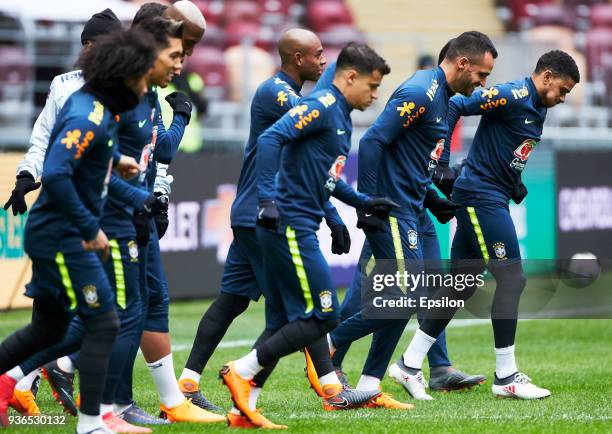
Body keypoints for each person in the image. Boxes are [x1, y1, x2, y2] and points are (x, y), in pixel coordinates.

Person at [177, 29, 361, 428]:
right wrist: (330, 213)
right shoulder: (276, 93)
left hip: (255, 211)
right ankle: (330, 387)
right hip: (266, 212)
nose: (323, 61)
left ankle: (188, 383)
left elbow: (304, 168)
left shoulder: (292, 94)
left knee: (233, 301)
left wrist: (330, 211)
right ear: (297, 58)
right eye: (316, 55)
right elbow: (303, 155)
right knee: (301, 307)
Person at [219, 42, 397, 428]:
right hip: (291, 225)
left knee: (284, 318)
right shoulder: (321, 106)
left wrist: (362, 201)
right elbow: (270, 139)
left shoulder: (341, 114)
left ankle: (241, 410)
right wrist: (267, 199)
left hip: (300, 222)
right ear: (350, 77)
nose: (375, 95)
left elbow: (326, 179)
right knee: (324, 314)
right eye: (372, 85)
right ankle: (242, 369)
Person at [318, 31, 497, 402]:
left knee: (422, 293)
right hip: (395, 209)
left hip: (417, 208)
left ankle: (372, 384)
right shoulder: (420, 92)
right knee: (403, 295)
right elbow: (372, 142)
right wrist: (366, 202)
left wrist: (432, 197)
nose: (483, 84)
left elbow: (412, 158)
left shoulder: (445, 99)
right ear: (462, 64)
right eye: (482, 75)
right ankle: (328, 344)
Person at [393, 50, 579, 400]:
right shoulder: (513, 94)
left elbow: (507, 149)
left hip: (491, 194)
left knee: (460, 284)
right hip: (480, 197)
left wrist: (514, 182)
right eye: (563, 90)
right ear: (548, 76)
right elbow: (455, 105)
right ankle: (506, 374)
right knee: (512, 277)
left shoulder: (536, 107)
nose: (562, 98)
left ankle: (409, 363)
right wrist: (443, 162)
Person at [0, 28, 157, 434]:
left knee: (48, 329)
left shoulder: (99, 112)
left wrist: (115, 161)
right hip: (61, 237)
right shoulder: (88, 112)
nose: (145, 85)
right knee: (104, 321)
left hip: (59, 234)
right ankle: (91, 424)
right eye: (141, 76)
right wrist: (91, 229)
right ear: (124, 74)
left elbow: (80, 159)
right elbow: (55, 171)